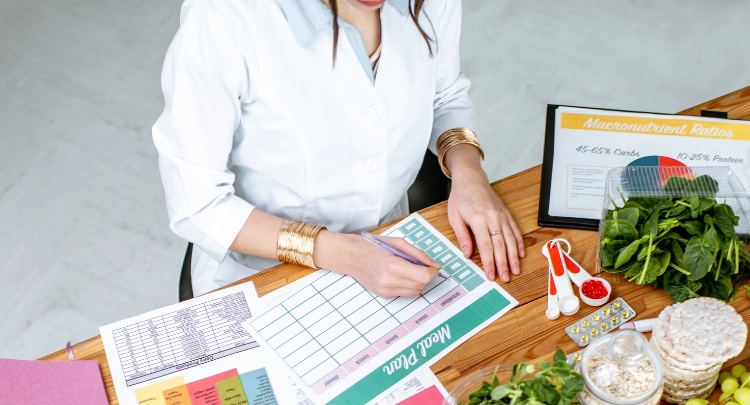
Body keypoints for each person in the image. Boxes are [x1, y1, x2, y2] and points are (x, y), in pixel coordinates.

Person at [153, 0, 525, 299]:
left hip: (390, 248)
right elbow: (197, 203)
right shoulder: (223, 17)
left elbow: (445, 94)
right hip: (262, 273)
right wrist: (346, 254)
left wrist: (469, 174)